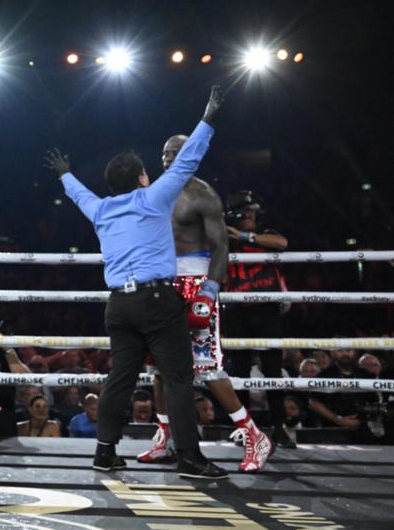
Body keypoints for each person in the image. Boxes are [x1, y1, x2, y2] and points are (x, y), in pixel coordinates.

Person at [43, 86, 228, 479]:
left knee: (120, 378)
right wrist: (209, 117)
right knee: (178, 377)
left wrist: (64, 174)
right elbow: (188, 158)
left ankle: (105, 451)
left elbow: (80, 196)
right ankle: (191, 458)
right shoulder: (154, 197)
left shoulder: (101, 210)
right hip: (157, 301)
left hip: (119, 307)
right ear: (143, 178)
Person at [137, 134, 272, 472]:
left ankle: (253, 434)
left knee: (206, 367)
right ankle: (165, 436)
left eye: (176, 152)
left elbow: (221, 246)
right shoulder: (157, 192)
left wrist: (209, 289)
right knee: (159, 368)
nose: (168, 158)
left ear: (192, 155)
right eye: (164, 152)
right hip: (161, 283)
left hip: (195, 282)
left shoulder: (203, 194)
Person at [223, 189, 291, 441]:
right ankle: (245, 426)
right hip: (236, 310)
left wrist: (244, 235)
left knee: (272, 367)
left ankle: (278, 425)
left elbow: (282, 244)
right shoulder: (226, 238)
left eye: (252, 212)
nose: (250, 216)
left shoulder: (265, 235)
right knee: (238, 370)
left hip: (267, 309)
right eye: (245, 213)